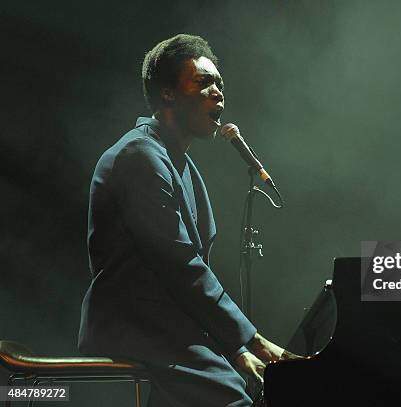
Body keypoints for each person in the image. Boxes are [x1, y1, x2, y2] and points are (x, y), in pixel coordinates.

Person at [78, 34, 285, 406]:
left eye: (219, 84)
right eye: (203, 82)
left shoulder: (181, 164)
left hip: (167, 326)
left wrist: (236, 349)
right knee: (231, 396)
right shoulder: (139, 155)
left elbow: (189, 271)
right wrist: (250, 340)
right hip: (134, 325)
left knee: (247, 388)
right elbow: (180, 266)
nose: (217, 92)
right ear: (168, 93)